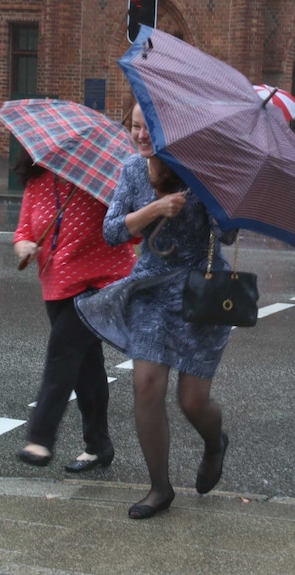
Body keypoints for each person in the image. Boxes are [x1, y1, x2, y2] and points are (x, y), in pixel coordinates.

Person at [76, 103, 236, 520]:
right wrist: (155, 209)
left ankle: (215, 443)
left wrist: (218, 196)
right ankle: (159, 488)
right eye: (135, 126)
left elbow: (230, 234)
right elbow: (112, 231)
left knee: (192, 401)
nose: (141, 134)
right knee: (146, 385)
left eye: (149, 127)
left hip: (203, 290)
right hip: (151, 289)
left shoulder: (198, 169)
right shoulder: (131, 171)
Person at [13, 148, 136, 472]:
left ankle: (40, 438)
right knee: (87, 371)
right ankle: (98, 446)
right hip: (57, 285)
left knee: (62, 354)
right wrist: (25, 246)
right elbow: (23, 230)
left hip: (101, 283)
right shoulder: (37, 181)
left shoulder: (105, 182)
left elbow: (131, 233)